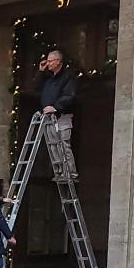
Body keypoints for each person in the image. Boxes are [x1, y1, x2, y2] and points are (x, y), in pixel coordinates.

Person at [35, 47, 77, 176]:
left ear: (58, 61)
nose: (48, 64)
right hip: (48, 115)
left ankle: (69, 171)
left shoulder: (68, 75)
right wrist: (41, 72)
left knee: (63, 143)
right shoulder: (47, 76)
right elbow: (36, 86)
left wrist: (55, 107)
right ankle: (58, 171)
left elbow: (70, 95)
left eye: (50, 61)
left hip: (61, 114)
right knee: (52, 145)